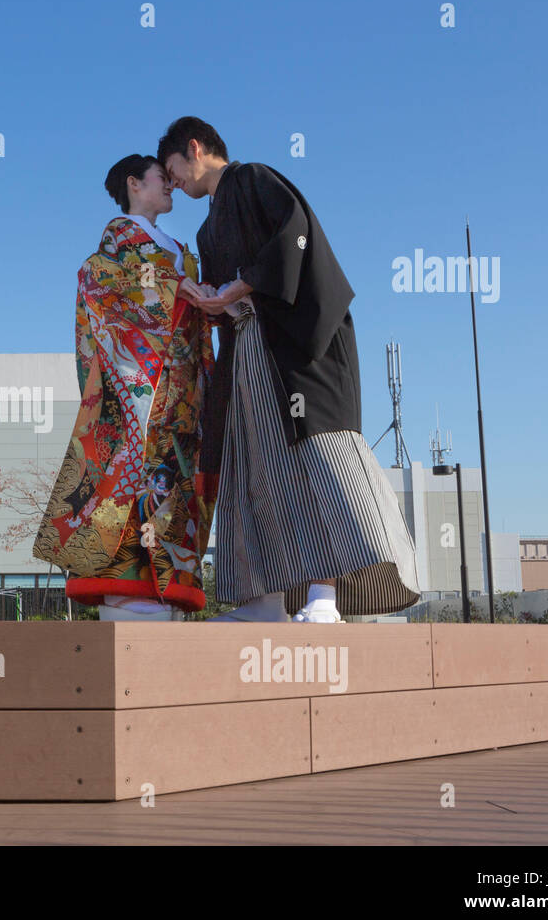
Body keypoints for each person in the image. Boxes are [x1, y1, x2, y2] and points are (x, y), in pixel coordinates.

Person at [158, 116, 420, 623]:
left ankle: (325, 598)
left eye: (172, 169)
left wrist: (238, 288)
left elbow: (295, 233)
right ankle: (263, 601)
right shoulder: (206, 226)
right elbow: (227, 293)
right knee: (253, 468)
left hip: (294, 346)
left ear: (194, 148)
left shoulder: (252, 177)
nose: (173, 183)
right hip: (248, 350)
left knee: (317, 461)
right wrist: (211, 299)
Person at [34, 155, 218, 620]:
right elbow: (98, 288)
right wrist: (180, 288)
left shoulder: (176, 247)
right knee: (131, 485)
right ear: (135, 184)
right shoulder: (114, 248)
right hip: (139, 389)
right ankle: (126, 597)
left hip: (181, 395)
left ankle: (172, 596)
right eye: (162, 178)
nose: (171, 185)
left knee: (175, 488)